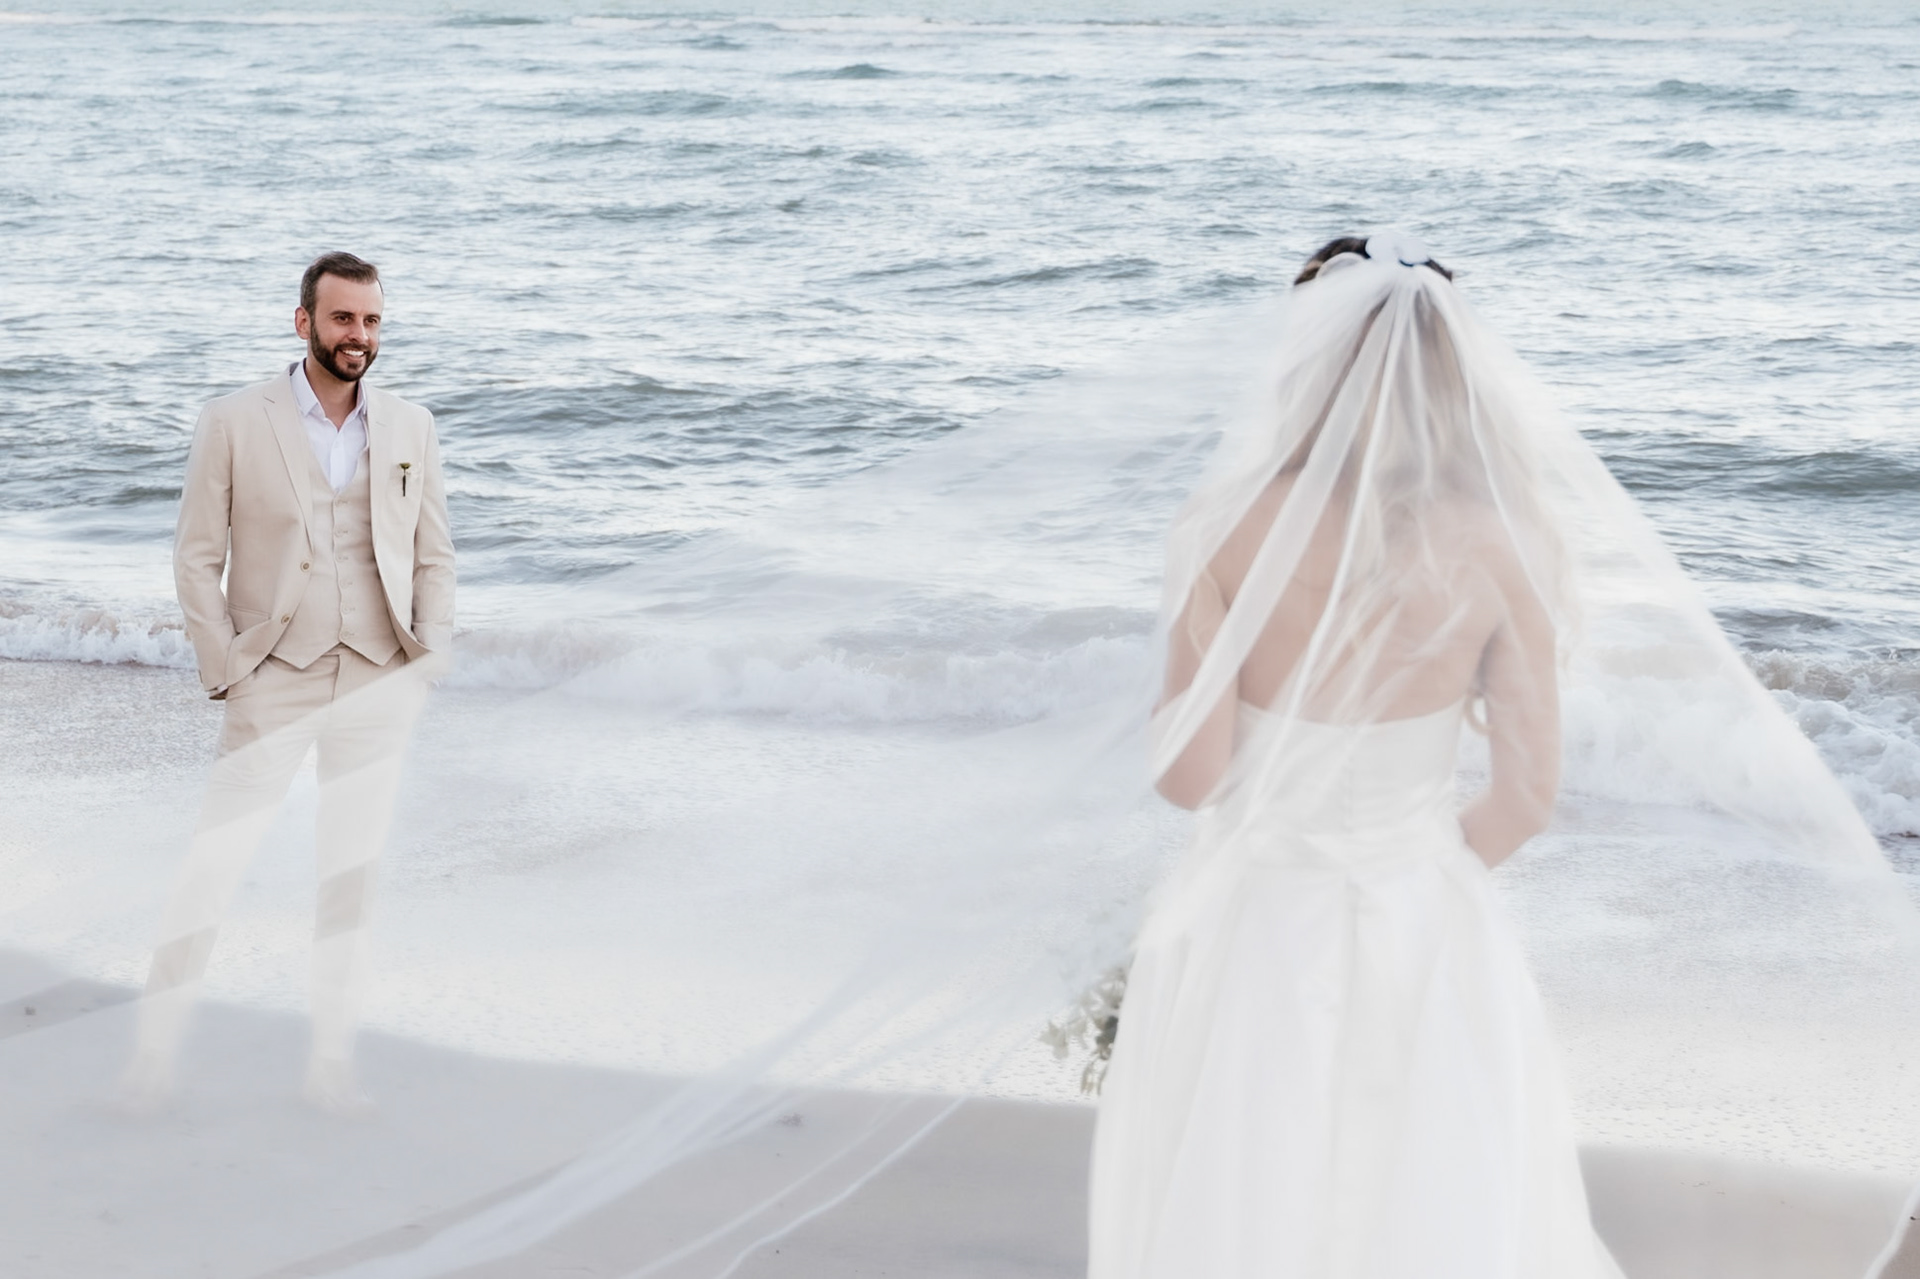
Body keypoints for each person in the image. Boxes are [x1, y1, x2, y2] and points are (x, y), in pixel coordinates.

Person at [1087, 235, 1624, 1277]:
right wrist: (1408, 857)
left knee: (1245, 1183)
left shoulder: (1227, 529)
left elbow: (1190, 779)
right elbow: (1527, 796)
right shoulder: (1505, 544)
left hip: (1252, 912)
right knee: (1433, 1190)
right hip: (1420, 912)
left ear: (1310, 369)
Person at [121, 251, 455, 1114]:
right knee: (215, 865)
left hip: (380, 677)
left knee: (351, 878)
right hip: (274, 675)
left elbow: (434, 556)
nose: (362, 336)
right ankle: (150, 1062)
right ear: (304, 321)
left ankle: (330, 1070)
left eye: (374, 320)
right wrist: (228, 663)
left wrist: (429, 662)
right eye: (345, 319)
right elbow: (196, 558)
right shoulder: (235, 420)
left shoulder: (412, 424)